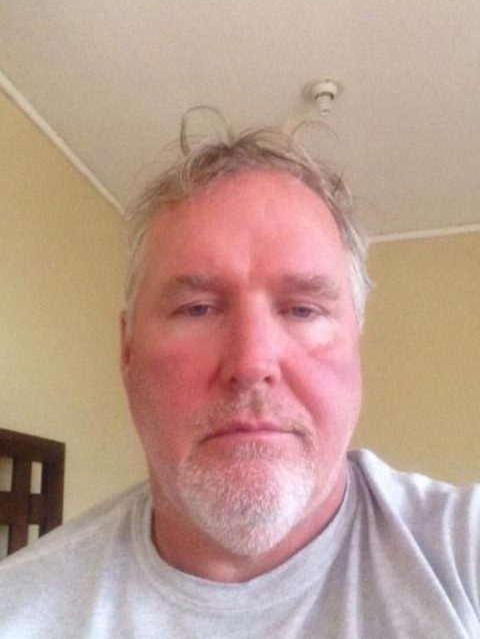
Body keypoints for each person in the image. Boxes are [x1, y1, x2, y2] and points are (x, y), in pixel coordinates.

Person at [0, 114, 479, 638]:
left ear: (355, 346)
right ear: (127, 351)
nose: (252, 364)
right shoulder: (16, 609)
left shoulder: (462, 555)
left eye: (303, 310)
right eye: (197, 309)